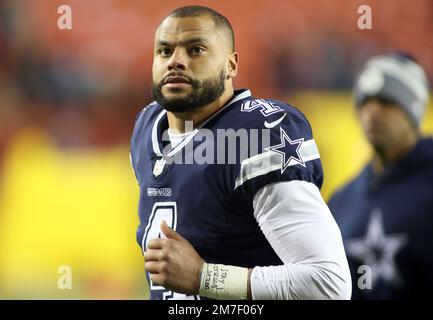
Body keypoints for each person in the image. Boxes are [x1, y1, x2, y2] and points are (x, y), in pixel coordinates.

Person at [130, 5, 351, 300]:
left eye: (195, 49)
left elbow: (329, 284)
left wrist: (205, 277)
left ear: (231, 65)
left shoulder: (254, 136)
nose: (176, 61)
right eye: (165, 51)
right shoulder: (147, 127)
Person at [328, 53, 433, 299]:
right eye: (365, 102)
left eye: (386, 101)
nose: (373, 112)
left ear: (413, 108)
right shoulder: (342, 200)